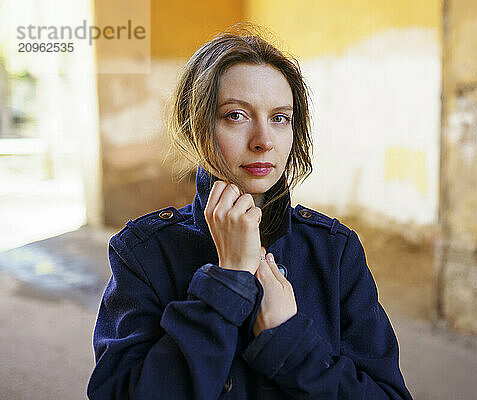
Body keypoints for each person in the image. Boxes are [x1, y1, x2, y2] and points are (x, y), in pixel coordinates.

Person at [87, 24, 413, 400]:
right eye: (236, 115)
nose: (263, 141)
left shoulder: (335, 251)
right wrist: (227, 283)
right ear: (197, 127)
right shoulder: (144, 251)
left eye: (279, 118)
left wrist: (288, 338)